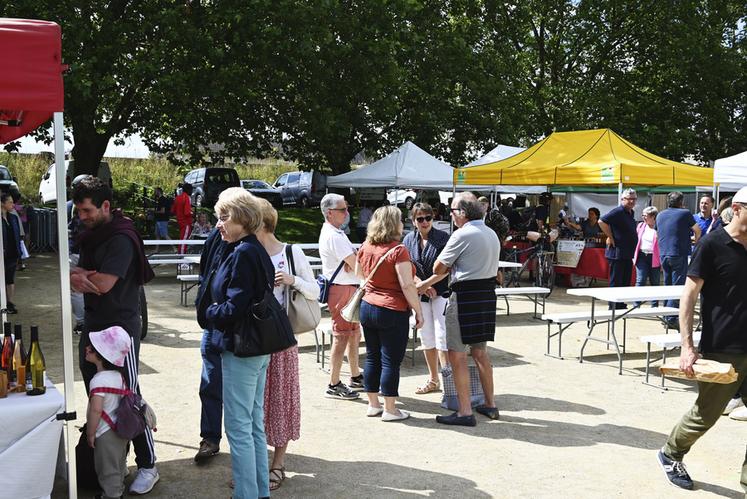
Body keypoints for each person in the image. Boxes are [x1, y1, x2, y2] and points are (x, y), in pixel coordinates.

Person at [70, 176, 158, 495]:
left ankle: (148, 465)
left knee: (129, 399)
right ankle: (112, 462)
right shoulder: (92, 233)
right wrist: (81, 276)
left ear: (106, 206)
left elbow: (104, 284)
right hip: (94, 327)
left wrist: (81, 276)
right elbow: (76, 277)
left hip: (120, 333)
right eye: (79, 211)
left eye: (87, 211)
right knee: (101, 395)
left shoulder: (121, 238)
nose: (82, 217)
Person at [656, 187, 747, 492]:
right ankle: (671, 453)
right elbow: (689, 295)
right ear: (737, 208)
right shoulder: (712, 244)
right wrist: (687, 346)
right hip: (723, 346)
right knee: (706, 414)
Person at [204, 187, 272, 498]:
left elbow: (236, 305)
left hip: (241, 349)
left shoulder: (244, 252)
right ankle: (258, 492)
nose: (218, 223)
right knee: (253, 425)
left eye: (224, 217)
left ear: (243, 218)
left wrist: (209, 311)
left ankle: (246, 494)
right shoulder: (251, 248)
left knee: (240, 429)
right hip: (254, 350)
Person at [421, 192, 500, 427]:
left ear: (463, 213)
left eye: (453, 211)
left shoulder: (461, 234)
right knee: (480, 353)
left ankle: (465, 411)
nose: (451, 215)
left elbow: (438, 266)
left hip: (464, 296)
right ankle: (490, 404)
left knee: (456, 354)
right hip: (486, 294)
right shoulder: (491, 232)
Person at [256, 198, 318, 491]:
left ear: (261, 222)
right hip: (253, 337)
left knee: (280, 398)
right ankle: (255, 464)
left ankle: (278, 463)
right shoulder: (247, 252)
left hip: (282, 336)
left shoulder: (290, 252)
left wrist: (293, 281)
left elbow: (316, 290)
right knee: (256, 403)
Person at [355, 205, 423, 421]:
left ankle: (373, 404)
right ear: (394, 224)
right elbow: (407, 285)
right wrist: (418, 310)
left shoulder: (366, 245)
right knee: (390, 361)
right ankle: (390, 409)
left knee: (372, 357)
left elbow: (359, 274)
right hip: (392, 309)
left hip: (368, 306)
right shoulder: (398, 250)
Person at [403, 203, 450, 394]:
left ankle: (449, 382)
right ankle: (433, 379)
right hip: (421, 295)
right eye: (420, 218)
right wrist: (419, 283)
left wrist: (427, 284)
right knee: (427, 337)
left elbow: (448, 267)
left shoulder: (443, 238)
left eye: (428, 217)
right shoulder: (408, 239)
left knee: (442, 337)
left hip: (441, 293)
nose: (424, 222)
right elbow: (407, 266)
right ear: (413, 221)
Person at [319, 193, 362, 400]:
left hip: (346, 287)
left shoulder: (335, 232)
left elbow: (353, 263)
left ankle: (355, 375)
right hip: (342, 289)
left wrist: (354, 261)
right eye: (343, 209)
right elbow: (358, 266)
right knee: (342, 335)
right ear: (329, 213)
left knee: (353, 334)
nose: (347, 213)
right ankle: (334, 382)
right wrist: (355, 261)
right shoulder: (334, 235)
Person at [85, 326, 132, 499]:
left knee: (106, 469)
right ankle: (117, 490)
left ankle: (112, 495)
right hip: (120, 429)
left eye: (91, 347)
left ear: (102, 356)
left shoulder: (98, 381)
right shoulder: (118, 377)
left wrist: (90, 433)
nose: (87, 348)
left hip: (105, 433)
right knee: (118, 464)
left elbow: (96, 410)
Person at [193, 225, 226, 463]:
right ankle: (210, 438)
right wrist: (205, 308)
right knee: (210, 382)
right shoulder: (216, 236)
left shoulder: (251, 244)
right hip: (213, 324)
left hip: (241, 330)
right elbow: (205, 272)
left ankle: (245, 443)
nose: (220, 222)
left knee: (243, 392)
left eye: (225, 215)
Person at [655, 191, 701, 328]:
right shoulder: (685, 213)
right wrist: (695, 242)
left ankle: (666, 316)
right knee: (677, 287)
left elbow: (658, 233)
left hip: (664, 253)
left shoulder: (660, 214)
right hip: (678, 253)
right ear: (681, 202)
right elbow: (697, 230)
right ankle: (671, 318)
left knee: (667, 286)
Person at [598, 189, 638, 309]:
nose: (631, 201)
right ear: (622, 199)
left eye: (634, 199)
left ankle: (621, 303)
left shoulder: (630, 212)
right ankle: (614, 305)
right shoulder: (618, 211)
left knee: (625, 280)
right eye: (629, 199)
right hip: (617, 252)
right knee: (616, 280)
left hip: (627, 252)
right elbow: (601, 221)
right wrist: (610, 236)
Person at [633, 206, 661, 306]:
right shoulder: (640, 226)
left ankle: (654, 306)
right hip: (641, 256)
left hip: (655, 257)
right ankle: (636, 305)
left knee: (655, 282)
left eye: (646, 216)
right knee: (640, 281)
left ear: (653, 216)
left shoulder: (660, 227)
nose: (644, 217)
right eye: (643, 215)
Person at [1, 193, 21, 314]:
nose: (12, 204)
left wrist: (19, 252)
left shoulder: (13, 217)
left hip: (12, 253)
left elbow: (18, 236)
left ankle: (10, 302)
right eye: (10, 202)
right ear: (2, 203)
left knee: (10, 279)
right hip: (1, 254)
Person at [172, 182, 193, 253]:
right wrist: (192, 213)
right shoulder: (187, 197)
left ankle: (180, 254)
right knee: (184, 240)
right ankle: (181, 256)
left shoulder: (177, 197)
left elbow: (173, 210)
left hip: (180, 221)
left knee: (182, 238)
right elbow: (187, 212)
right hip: (186, 222)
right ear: (189, 190)